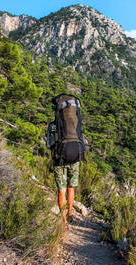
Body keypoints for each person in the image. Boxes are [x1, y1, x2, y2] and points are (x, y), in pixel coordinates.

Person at [47, 94, 86, 228]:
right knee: (71, 186)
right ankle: (70, 214)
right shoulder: (76, 124)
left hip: (59, 157)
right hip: (75, 155)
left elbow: (49, 144)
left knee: (61, 189)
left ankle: (63, 220)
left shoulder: (53, 125)